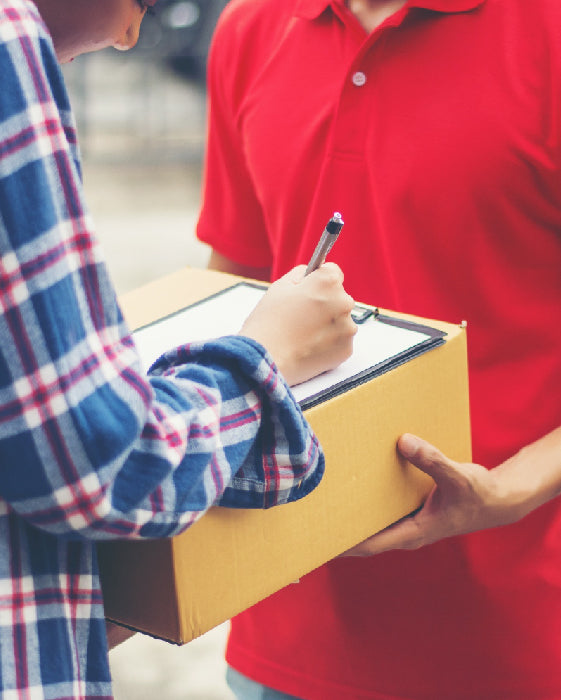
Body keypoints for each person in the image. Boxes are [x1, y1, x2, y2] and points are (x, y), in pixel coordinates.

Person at [196, 0, 561, 698]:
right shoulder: (251, 26)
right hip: (281, 626)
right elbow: (231, 291)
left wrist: (512, 489)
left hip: (515, 642)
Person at [0, 0, 357, 698]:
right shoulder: (9, 41)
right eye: (144, 2)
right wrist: (263, 357)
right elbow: (100, 466)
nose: (132, 37)